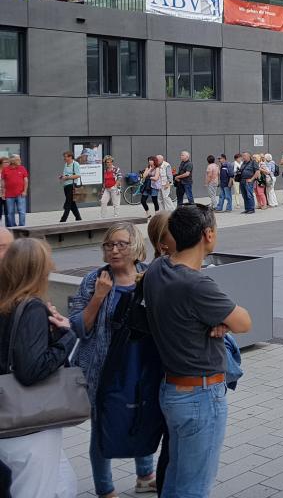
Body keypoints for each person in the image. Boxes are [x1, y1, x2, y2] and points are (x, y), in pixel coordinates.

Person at [144, 205, 251, 498]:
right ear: (208, 234)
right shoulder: (196, 284)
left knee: (177, 480)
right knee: (193, 489)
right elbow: (243, 321)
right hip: (200, 396)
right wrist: (223, 322)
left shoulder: (157, 269)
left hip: (172, 390)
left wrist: (218, 322)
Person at [69, 222, 157, 498]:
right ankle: (105, 489)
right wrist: (98, 296)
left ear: (136, 247)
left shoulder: (151, 276)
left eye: (122, 244)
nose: (115, 250)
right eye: (109, 245)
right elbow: (78, 328)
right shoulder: (93, 280)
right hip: (102, 367)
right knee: (102, 427)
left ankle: (146, 475)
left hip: (141, 363)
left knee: (143, 417)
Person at [0, 237, 78, 498]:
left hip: (9, 418)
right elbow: (31, 369)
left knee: (63, 483)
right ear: (37, 269)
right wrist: (67, 337)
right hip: (30, 424)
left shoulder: (6, 302)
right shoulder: (31, 306)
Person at [3, 154, 29, 227]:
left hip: (20, 194)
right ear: (12, 161)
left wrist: (25, 191)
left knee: (22, 211)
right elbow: (3, 182)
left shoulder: (22, 168)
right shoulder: (5, 169)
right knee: (10, 212)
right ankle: (12, 227)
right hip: (9, 195)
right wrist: (3, 192)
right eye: (18, 159)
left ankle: (22, 226)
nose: (20, 161)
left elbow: (26, 180)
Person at [58, 150, 84, 222]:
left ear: (70, 157)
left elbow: (78, 175)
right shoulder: (66, 164)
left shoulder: (75, 164)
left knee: (68, 203)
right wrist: (62, 176)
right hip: (66, 186)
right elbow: (66, 174)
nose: (64, 158)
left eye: (65, 157)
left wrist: (67, 177)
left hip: (72, 186)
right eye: (64, 157)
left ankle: (63, 220)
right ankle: (78, 218)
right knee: (72, 203)